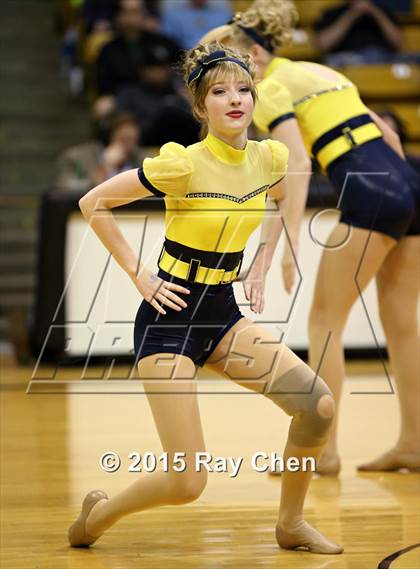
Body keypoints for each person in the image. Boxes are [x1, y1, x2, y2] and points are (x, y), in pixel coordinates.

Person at [68, 42, 343, 555]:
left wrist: (261, 265)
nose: (234, 99)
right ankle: (95, 517)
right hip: (169, 319)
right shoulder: (182, 164)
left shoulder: (269, 158)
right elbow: (94, 202)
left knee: (318, 406)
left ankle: (290, 524)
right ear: (201, 107)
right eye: (219, 92)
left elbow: (285, 204)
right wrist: (138, 274)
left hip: (223, 315)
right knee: (187, 481)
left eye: (243, 89)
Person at [201, 0, 420, 475]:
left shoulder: (272, 86)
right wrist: (402, 195)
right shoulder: (317, 72)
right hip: (407, 182)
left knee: (324, 324)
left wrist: (285, 244)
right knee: (402, 325)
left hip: (372, 191)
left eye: (234, 65)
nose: (232, 83)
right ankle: (414, 442)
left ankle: (322, 452)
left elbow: (295, 163)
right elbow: (389, 135)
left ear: (253, 57)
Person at [55, 112, 143, 192]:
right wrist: (107, 166)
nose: (130, 145)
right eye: (124, 139)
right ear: (109, 137)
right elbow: (67, 189)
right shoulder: (78, 157)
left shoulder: (141, 159)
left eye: (134, 140)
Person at [313, 0, 403, 67]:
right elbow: (324, 45)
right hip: (348, 58)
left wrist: (376, 13)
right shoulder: (333, 12)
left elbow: (398, 43)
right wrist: (351, 15)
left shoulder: (382, 11)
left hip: (383, 57)